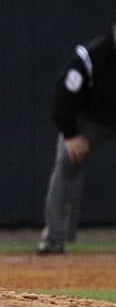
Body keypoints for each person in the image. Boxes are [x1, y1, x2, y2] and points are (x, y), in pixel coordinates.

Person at [37, 22, 116, 256]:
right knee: (66, 163)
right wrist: (71, 134)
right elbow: (64, 94)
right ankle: (54, 238)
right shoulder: (93, 56)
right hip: (90, 122)